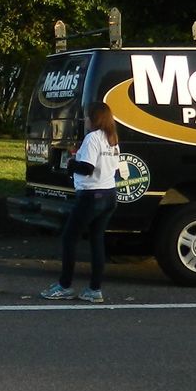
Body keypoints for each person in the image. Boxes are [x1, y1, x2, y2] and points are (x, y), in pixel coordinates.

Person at [42, 102, 124, 303]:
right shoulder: (112, 139)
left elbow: (87, 168)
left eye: (87, 116)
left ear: (95, 119)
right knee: (97, 241)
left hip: (91, 195)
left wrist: (71, 164)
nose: (85, 120)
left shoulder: (92, 138)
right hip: (109, 194)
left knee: (69, 238)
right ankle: (95, 289)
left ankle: (64, 285)